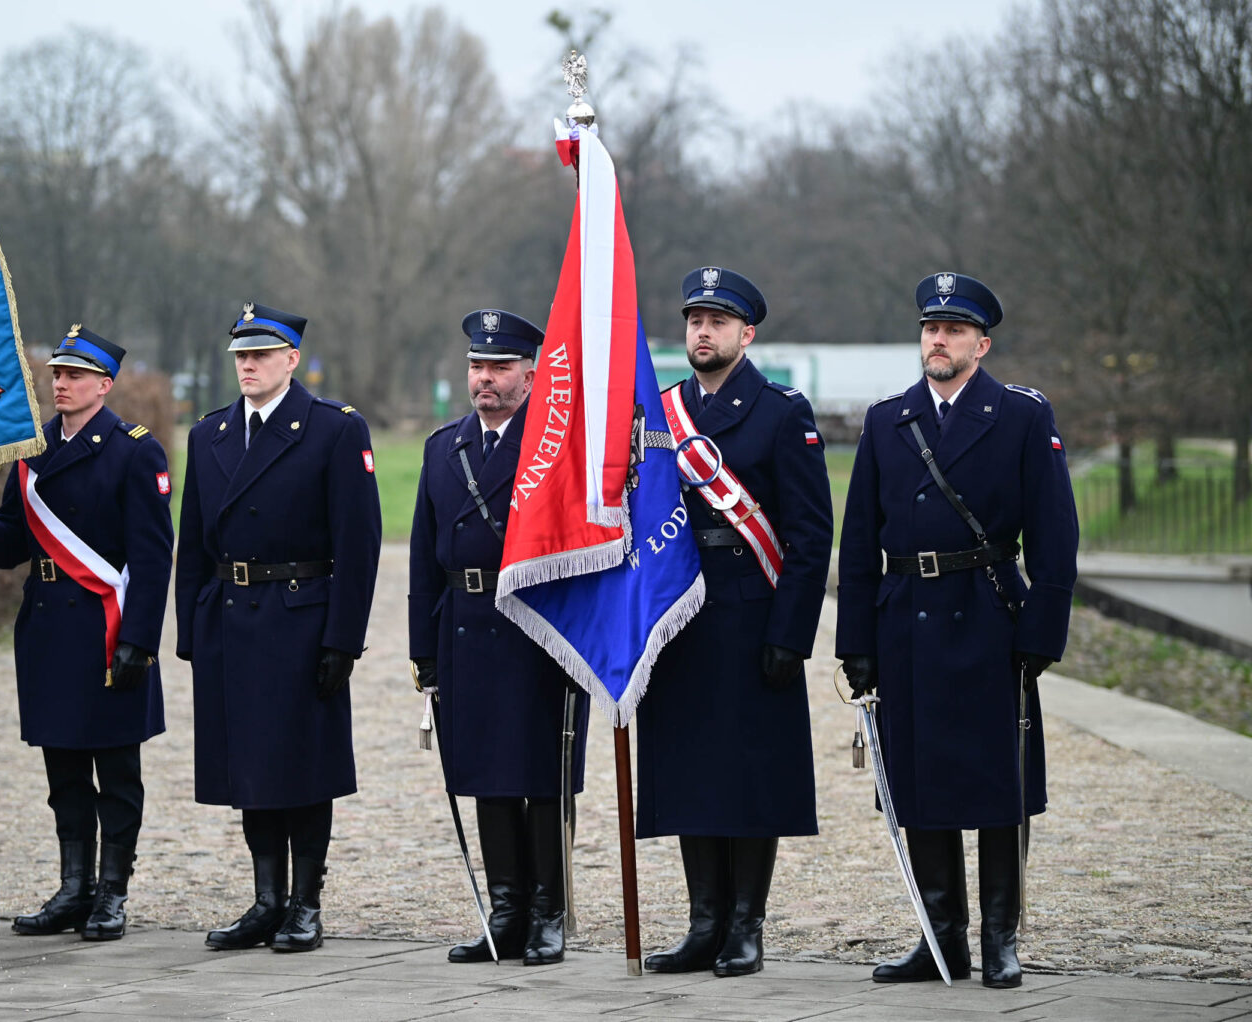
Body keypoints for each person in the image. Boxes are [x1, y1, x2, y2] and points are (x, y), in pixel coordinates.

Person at [835, 272, 1079, 989]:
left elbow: (1055, 536)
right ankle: (940, 938)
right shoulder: (888, 419)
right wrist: (857, 641)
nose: (936, 339)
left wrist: (1043, 628)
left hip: (988, 615)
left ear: (982, 342)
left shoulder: (1022, 416)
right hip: (906, 617)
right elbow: (858, 545)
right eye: (928, 328)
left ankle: (1001, 936)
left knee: (998, 785)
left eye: (952, 330)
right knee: (919, 784)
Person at [635, 268, 833, 977]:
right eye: (694, 320)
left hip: (752, 613)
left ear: (746, 334)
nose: (702, 332)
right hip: (682, 614)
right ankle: (703, 924)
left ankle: (746, 926)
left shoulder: (781, 412)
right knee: (690, 771)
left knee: (750, 777)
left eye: (717, 321)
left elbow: (811, 537)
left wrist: (791, 633)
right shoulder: (660, 413)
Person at [176, 301, 381, 954]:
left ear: (292, 359)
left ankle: (305, 903)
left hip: (300, 616)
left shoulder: (332, 430)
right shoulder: (207, 435)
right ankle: (266, 899)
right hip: (232, 620)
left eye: (260, 354)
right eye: (240, 355)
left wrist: (342, 638)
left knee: (303, 767)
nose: (248, 365)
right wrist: (191, 632)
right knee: (250, 770)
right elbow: (193, 543)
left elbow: (359, 543)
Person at [0, 324, 174, 942]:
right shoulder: (31, 450)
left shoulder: (135, 451)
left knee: (116, 771)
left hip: (106, 627)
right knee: (64, 774)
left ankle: (112, 893)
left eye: (75, 375)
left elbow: (153, 557)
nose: (61, 383)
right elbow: (10, 547)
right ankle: (73, 886)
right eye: (56, 373)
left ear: (103, 386)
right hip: (50, 625)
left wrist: (141, 639)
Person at [408, 309, 592, 966]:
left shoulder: (558, 448)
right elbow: (426, 561)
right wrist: (423, 651)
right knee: (485, 772)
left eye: (499, 367)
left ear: (531, 372)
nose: (485, 379)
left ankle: (548, 912)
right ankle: (506, 910)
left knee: (541, 774)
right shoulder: (444, 446)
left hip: (537, 629)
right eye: (477, 367)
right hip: (465, 626)